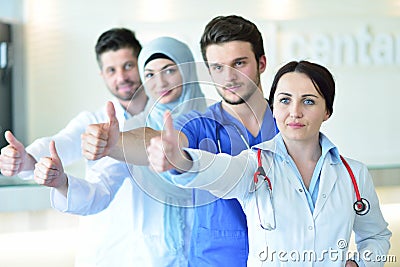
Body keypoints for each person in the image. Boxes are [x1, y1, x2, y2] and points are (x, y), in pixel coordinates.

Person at [147, 60, 392, 267]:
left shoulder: (353, 174)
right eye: (285, 100)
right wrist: (180, 160)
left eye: (308, 101)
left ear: (327, 111)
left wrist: (362, 263)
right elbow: (218, 170)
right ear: (273, 107)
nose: (294, 112)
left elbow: (376, 235)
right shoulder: (253, 165)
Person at [81, 15, 277, 266]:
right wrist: (114, 143)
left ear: (261, 63)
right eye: (217, 67)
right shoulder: (199, 123)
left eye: (239, 63)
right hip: (215, 260)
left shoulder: (289, 124)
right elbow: (158, 139)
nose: (228, 77)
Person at [33, 36, 207, 266]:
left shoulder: (213, 119)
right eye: (150, 74)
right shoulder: (135, 129)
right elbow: (101, 190)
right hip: (154, 257)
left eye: (169, 70)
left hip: (208, 252)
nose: (161, 82)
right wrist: (63, 183)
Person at [0, 28, 149, 266]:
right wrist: (25, 159)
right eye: (111, 70)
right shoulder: (93, 122)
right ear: (102, 75)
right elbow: (62, 142)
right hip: (107, 254)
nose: (121, 77)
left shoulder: (166, 121)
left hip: (156, 255)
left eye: (128, 66)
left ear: (142, 64)